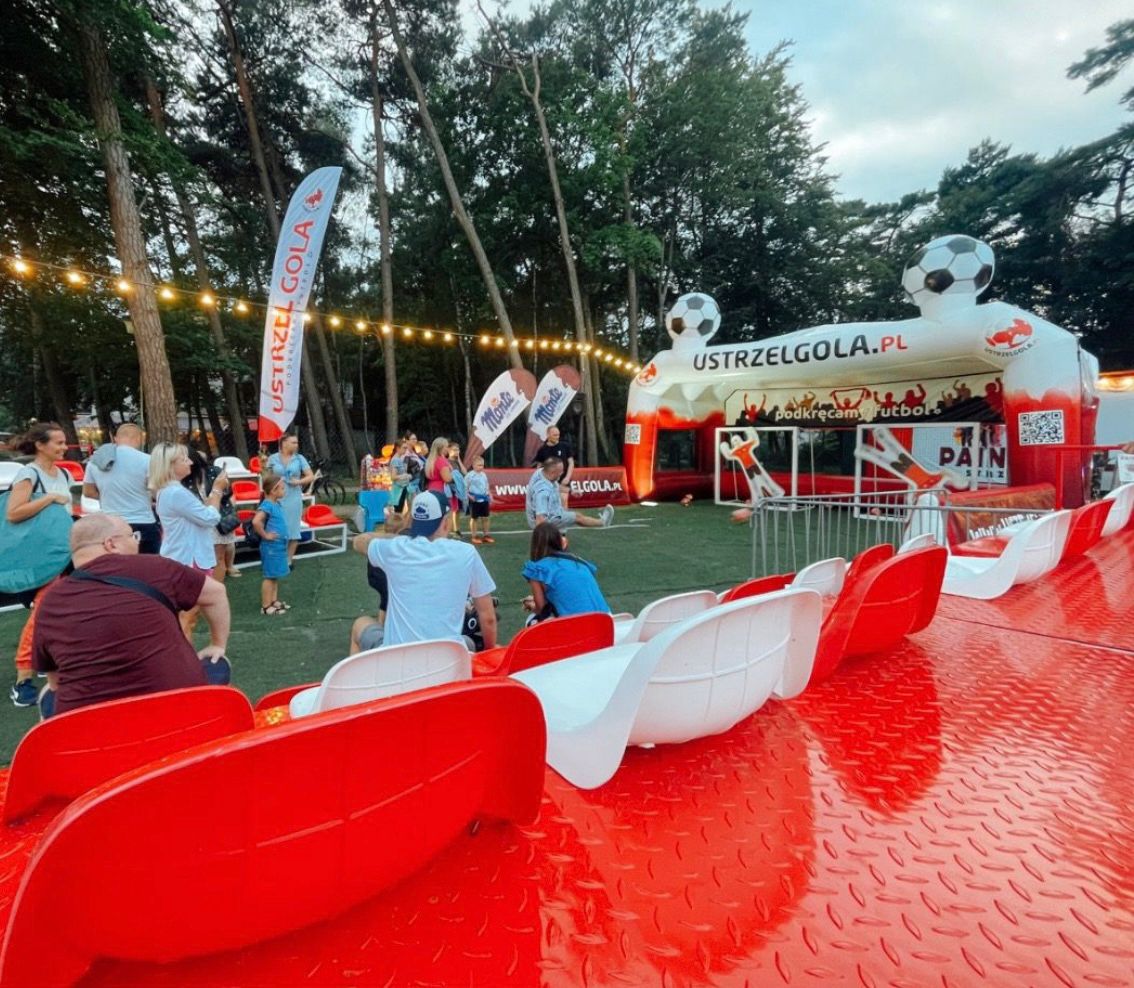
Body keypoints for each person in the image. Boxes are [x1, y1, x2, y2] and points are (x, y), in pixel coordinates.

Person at [30, 513, 231, 717]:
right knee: (216, 665)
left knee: (48, 694)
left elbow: (55, 682)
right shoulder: (155, 567)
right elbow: (216, 593)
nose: (137, 542)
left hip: (90, 728)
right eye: (133, 536)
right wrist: (217, 644)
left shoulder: (51, 601)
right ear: (111, 544)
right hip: (178, 712)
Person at [352, 490, 497, 650]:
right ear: (446, 522)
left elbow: (359, 541)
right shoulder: (466, 552)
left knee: (360, 624)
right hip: (447, 657)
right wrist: (490, 650)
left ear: (412, 522)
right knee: (468, 642)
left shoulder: (395, 548)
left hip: (398, 658)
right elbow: (488, 618)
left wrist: (398, 539)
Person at [5, 422, 74, 707]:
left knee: (61, 612)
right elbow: (13, 513)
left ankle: (51, 665)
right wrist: (49, 498)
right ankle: (22, 682)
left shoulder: (64, 473)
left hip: (64, 553)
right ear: (40, 445)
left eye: (64, 442)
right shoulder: (29, 474)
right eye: (58, 442)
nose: (63, 447)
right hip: (41, 558)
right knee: (43, 614)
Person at [149, 442, 229, 640]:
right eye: (184, 459)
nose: (190, 462)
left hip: (182, 556)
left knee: (188, 616)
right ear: (170, 465)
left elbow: (200, 515)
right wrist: (217, 490)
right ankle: (183, 656)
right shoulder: (176, 493)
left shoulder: (168, 491)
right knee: (188, 617)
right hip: (189, 559)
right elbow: (210, 518)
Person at [81, 422, 159, 553]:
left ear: (115, 439)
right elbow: (157, 491)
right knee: (147, 563)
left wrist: (109, 496)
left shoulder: (95, 462)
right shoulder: (148, 460)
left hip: (110, 523)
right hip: (143, 521)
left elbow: (88, 492)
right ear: (140, 439)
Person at [521, 522, 610, 622]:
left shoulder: (537, 569)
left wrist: (532, 605)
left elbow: (542, 610)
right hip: (606, 620)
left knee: (531, 620)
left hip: (578, 624)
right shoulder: (579, 562)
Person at [350, 513, 406, 653]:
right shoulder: (395, 548)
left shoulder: (379, 544)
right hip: (385, 580)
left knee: (384, 602)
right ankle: (384, 628)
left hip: (376, 578)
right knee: (388, 602)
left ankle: (381, 625)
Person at [525, 457, 613, 531]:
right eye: (560, 471)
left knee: (566, 511)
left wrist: (570, 491)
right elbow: (540, 520)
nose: (562, 473)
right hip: (547, 519)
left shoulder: (542, 472)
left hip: (551, 510)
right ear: (552, 473)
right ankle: (602, 522)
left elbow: (555, 486)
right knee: (577, 517)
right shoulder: (543, 492)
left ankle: (560, 531)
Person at [266, 431, 315, 565]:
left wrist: (298, 482)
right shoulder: (273, 458)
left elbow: (310, 476)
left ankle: (288, 560)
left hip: (293, 497)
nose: (296, 445)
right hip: (276, 497)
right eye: (293, 442)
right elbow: (267, 477)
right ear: (284, 444)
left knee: (293, 529)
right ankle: (276, 557)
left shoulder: (299, 458)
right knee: (276, 528)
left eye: (297, 442)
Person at [252, 470, 290, 616]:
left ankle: (273, 601)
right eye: (282, 488)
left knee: (274, 575)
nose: (284, 490)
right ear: (273, 490)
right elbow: (256, 521)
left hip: (278, 545)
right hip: (271, 547)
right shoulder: (267, 505)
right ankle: (266, 606)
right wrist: (265, 535)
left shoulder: (275, 504)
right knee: (269, 576)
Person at [532, 425, 575, 507]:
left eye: (558, 435)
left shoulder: (565, 446)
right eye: (555, 435)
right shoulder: (542, 450)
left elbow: (571, 463)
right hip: (548, 481)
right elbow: (539, 466)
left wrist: (568, 477)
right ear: (548, 435)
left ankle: (563, 514)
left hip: (563, 479)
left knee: (563, 500)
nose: (557, 437)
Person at [466, 456, 493, 544]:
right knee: (474, 518)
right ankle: (474, 536)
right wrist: (470, 497)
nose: (481, 467)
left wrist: (490, 495)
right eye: (479, 465)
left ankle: (486, 535)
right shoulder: (469, 475)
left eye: (482, 465)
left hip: (484, 499)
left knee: (486, 517)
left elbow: (486, 485)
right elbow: (464, 488)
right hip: (474, 500)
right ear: (473, 465)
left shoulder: (483, 475)